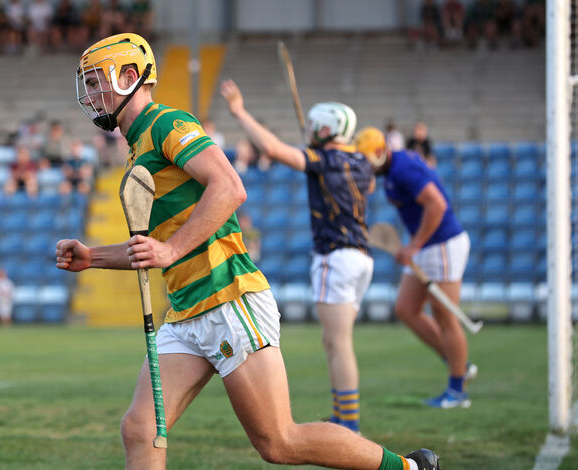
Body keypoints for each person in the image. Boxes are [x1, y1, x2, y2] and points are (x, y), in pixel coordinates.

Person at [57, 32, 441, 470]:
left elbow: (229, 188)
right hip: (185, 313)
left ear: (130, 76)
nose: (90, 94)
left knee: (279, 442)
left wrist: (170, 249)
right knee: (140, 429)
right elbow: (154, 251)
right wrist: (93, 256)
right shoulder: (136, 148)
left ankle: (408, 469)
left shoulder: (167, 124)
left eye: (96, 81)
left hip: (228, 297)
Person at [222, 81, 373, 433]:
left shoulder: (323, 159)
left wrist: (239, 111)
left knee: (339, 343)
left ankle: (348, 424)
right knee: (333, 341)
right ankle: (342, 415)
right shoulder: (360, 162)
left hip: (335, 257)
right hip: (362, 259)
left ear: (326, 129)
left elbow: (273, 149)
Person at [355, 126, 477, 409]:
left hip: (442, 244)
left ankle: (457, 391)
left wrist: (414, 245)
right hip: (426, 246)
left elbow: (437, 204)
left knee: (445, 317)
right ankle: (458, 363)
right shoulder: (391, 170)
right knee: (406, 309)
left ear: (378, 153)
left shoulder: (401, 169)